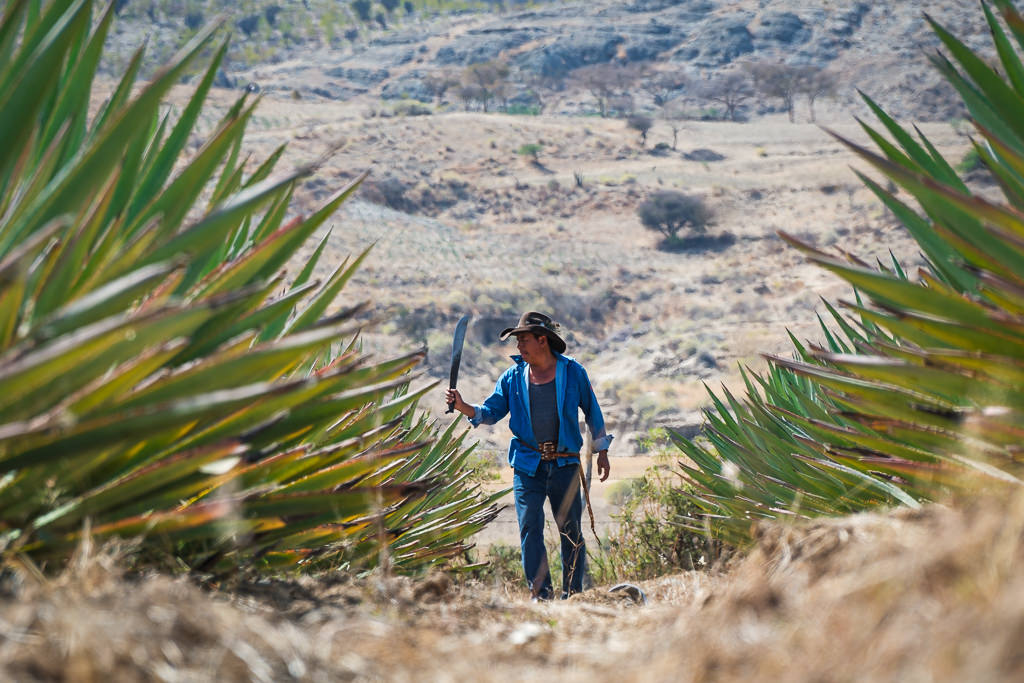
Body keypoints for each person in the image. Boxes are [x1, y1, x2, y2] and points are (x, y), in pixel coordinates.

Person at [446, 311, 613, 600]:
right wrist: (464, 407)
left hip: (565, 464)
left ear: (543, 340)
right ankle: (541, 597)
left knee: (571, 532)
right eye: (517, 341)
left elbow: (592, 411)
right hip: (527, 465)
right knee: (529, 529)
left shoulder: (574, 372)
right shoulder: (512, 377)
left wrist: (602, 451)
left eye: (523, 340)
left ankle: (573, 596)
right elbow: (491, 411)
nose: (519, 347)